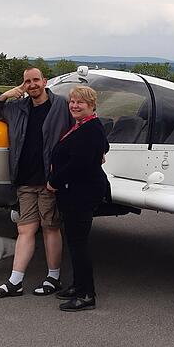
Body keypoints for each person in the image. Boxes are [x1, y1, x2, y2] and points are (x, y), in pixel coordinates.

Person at [0, 67, 72, 299]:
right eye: (27, 82)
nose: (32, 85)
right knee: (25, 229)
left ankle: (53, 277)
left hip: (48, 180)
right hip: (24, 179)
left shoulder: (61, 105)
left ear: (44, 81)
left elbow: (79, 127)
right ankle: (15, 281)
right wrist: (4, 95)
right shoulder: (16, 108)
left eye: (35, 80)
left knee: (50, 227)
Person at [47, 86, 110, 312]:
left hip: (82, 193)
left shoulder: (91, 128)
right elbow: (104, 146)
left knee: (79, 244)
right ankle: (77, 285)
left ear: (92, 105)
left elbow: (79, 164)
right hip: (75, 191)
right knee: (75, 243)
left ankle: (87, 295)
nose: (74, 105)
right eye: (72, 101)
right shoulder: (85, 125)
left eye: (80, 102)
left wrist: (54, 181)